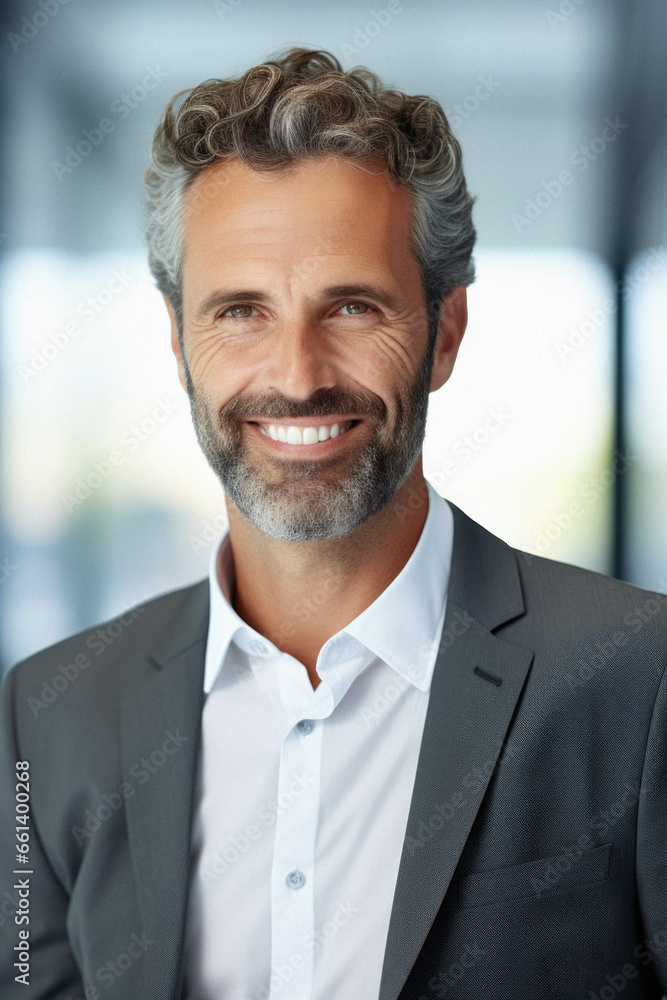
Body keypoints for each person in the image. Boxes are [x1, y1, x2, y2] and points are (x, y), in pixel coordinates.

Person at [1, 46, 666, 1000]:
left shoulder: (639, 681)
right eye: (239, 311)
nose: (297, 373)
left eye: (351, 305)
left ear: (442, 332)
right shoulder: (51, 713)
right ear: (177, 342)